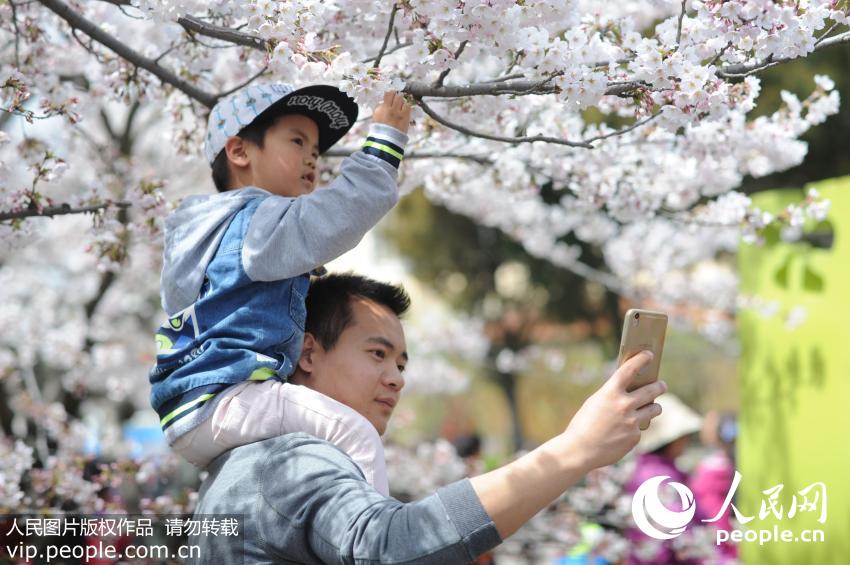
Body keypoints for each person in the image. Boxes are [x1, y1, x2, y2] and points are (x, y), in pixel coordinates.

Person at [190, 274, 667, 564]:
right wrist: (573, 450)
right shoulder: (290, 460)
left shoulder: (248, 455)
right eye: (377, 354)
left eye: (401, 364)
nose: (395, 378)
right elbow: (388, 545)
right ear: (309, 353)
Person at [148, 82, 411, 495]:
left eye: (316, 149)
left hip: (192, 408)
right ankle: (375, 540)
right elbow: (337, 215)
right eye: (297, 140)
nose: (312, 156)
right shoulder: (257, 223)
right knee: (356, 434)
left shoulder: (208, 233)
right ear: (239, 152)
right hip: (230, 397)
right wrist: (385, 143)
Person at [624, 393, 703, 565]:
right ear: (671, 440)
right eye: (684, 435)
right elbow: (676, 532)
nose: (686, 441)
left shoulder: (645, 470)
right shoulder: (659, 478)